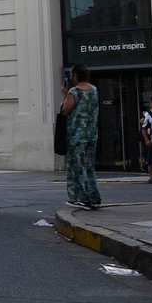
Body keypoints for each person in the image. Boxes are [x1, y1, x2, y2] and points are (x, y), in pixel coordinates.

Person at [60, 63, 102, 209]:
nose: (70, 77)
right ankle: (94, 196)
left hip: (76, 134)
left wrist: (64, 95)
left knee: (76, 166)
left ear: (76, 75)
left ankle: (81, 197)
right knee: (89, 166)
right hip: (91, 133)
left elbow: (65, 111)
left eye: (71, 74)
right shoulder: (94, 89)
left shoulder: (75, 91)